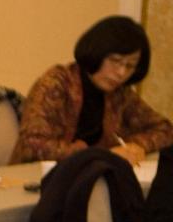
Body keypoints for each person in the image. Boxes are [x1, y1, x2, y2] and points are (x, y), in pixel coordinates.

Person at [12, 16, 173, 164]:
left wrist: (136, 146)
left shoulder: (120, 93)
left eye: (130, 65)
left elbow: (165, 129)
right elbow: (33, 144)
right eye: (115, 61)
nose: (121, 73)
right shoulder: (57, 83)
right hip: (37, 180)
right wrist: (103, 155)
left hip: (92, 179)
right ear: (97, 52)